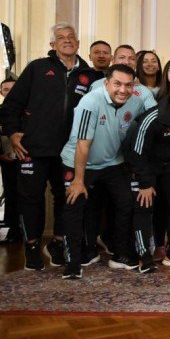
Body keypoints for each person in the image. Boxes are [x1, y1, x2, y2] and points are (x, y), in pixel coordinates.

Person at [0, 23, 98, 270]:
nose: (67, 40)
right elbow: (10, 106)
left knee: (66, 199)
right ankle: (31, 246)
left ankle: (57, 243)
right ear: (52, 45)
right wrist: (12, 134)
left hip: (69, 152)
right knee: (30, 199)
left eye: (71, 37)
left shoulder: (88, 75)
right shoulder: (37, 68)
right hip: (33, 148)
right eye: (60, 38)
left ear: (78, 43)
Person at [60, 64, 145, 279]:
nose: (122, 90)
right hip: (80, 161)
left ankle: (121, 255)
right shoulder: (91, 102)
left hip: (111, 162)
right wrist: (79, 180)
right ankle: (73, 261)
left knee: (126, 202)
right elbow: (82, 144)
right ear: (107, 83)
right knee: (75, 203)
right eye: (117, 84)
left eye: (128, 85)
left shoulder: (135, 102)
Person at [125, 75, 170, 273]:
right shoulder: (153, 117)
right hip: (145, 166)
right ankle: (144, 255)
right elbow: (137, 152)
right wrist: (144, 183)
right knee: (144, 207)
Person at [89, 45, 157, 110]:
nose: (127, 62)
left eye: (132, 59)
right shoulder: (97, 85)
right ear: (113, 60)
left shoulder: (144, 92)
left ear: (136, 63)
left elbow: (154, 115)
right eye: (122, 57)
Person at [0, 78, 19, 243]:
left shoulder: (28, 110)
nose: (9, 92)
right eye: (6, 89)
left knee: (29, 198)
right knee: (11, 196)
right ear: (1, 92)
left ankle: (30, 233)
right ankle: (13, 232)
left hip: (28, 160)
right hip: (6, 162)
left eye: (13, 89)